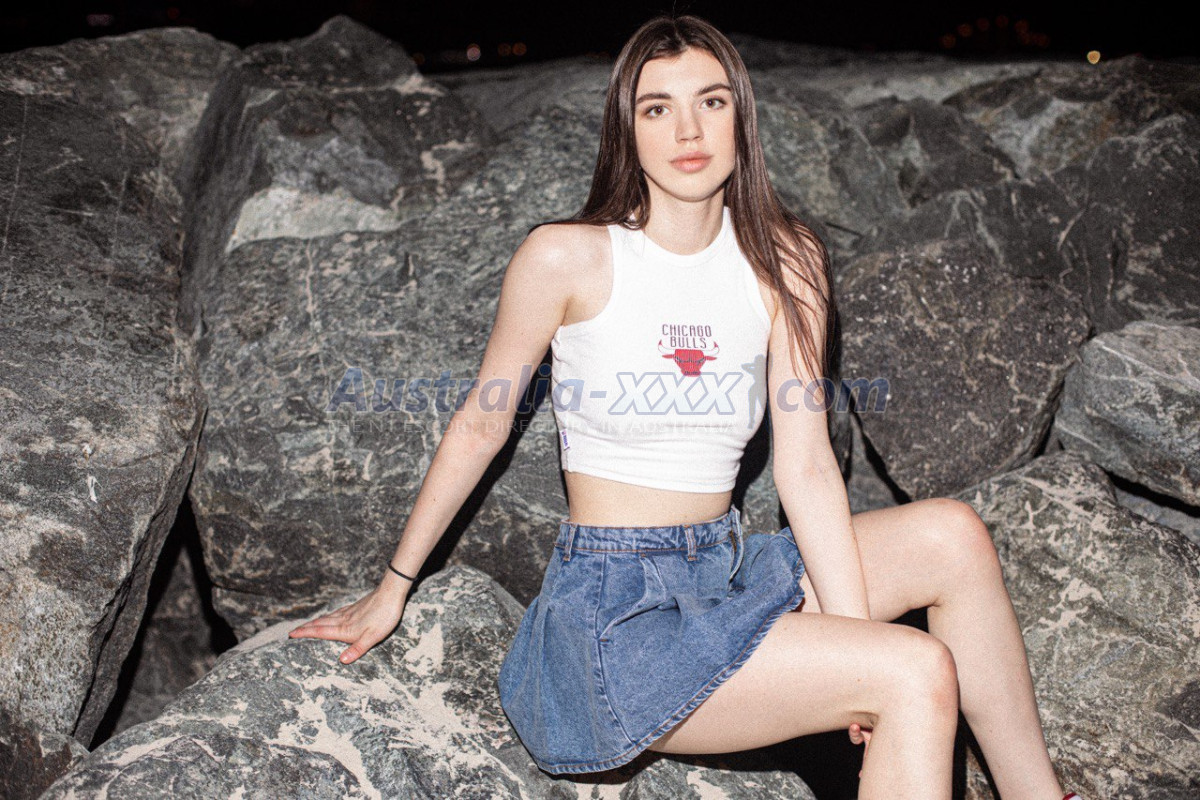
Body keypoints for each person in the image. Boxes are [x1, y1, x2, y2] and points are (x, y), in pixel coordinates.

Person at [290, 14, 1086, 800]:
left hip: (723, 570)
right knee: (915, 672)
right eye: (656, 108)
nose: (688, 130)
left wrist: (852, 638)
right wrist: (394, 587)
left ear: (741, 116)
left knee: (953, 537)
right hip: (615, 615)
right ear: (626, 130)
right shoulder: (567, 257)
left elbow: (808, 466)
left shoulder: (787, 260)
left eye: (711, 101)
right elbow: (480, 424)